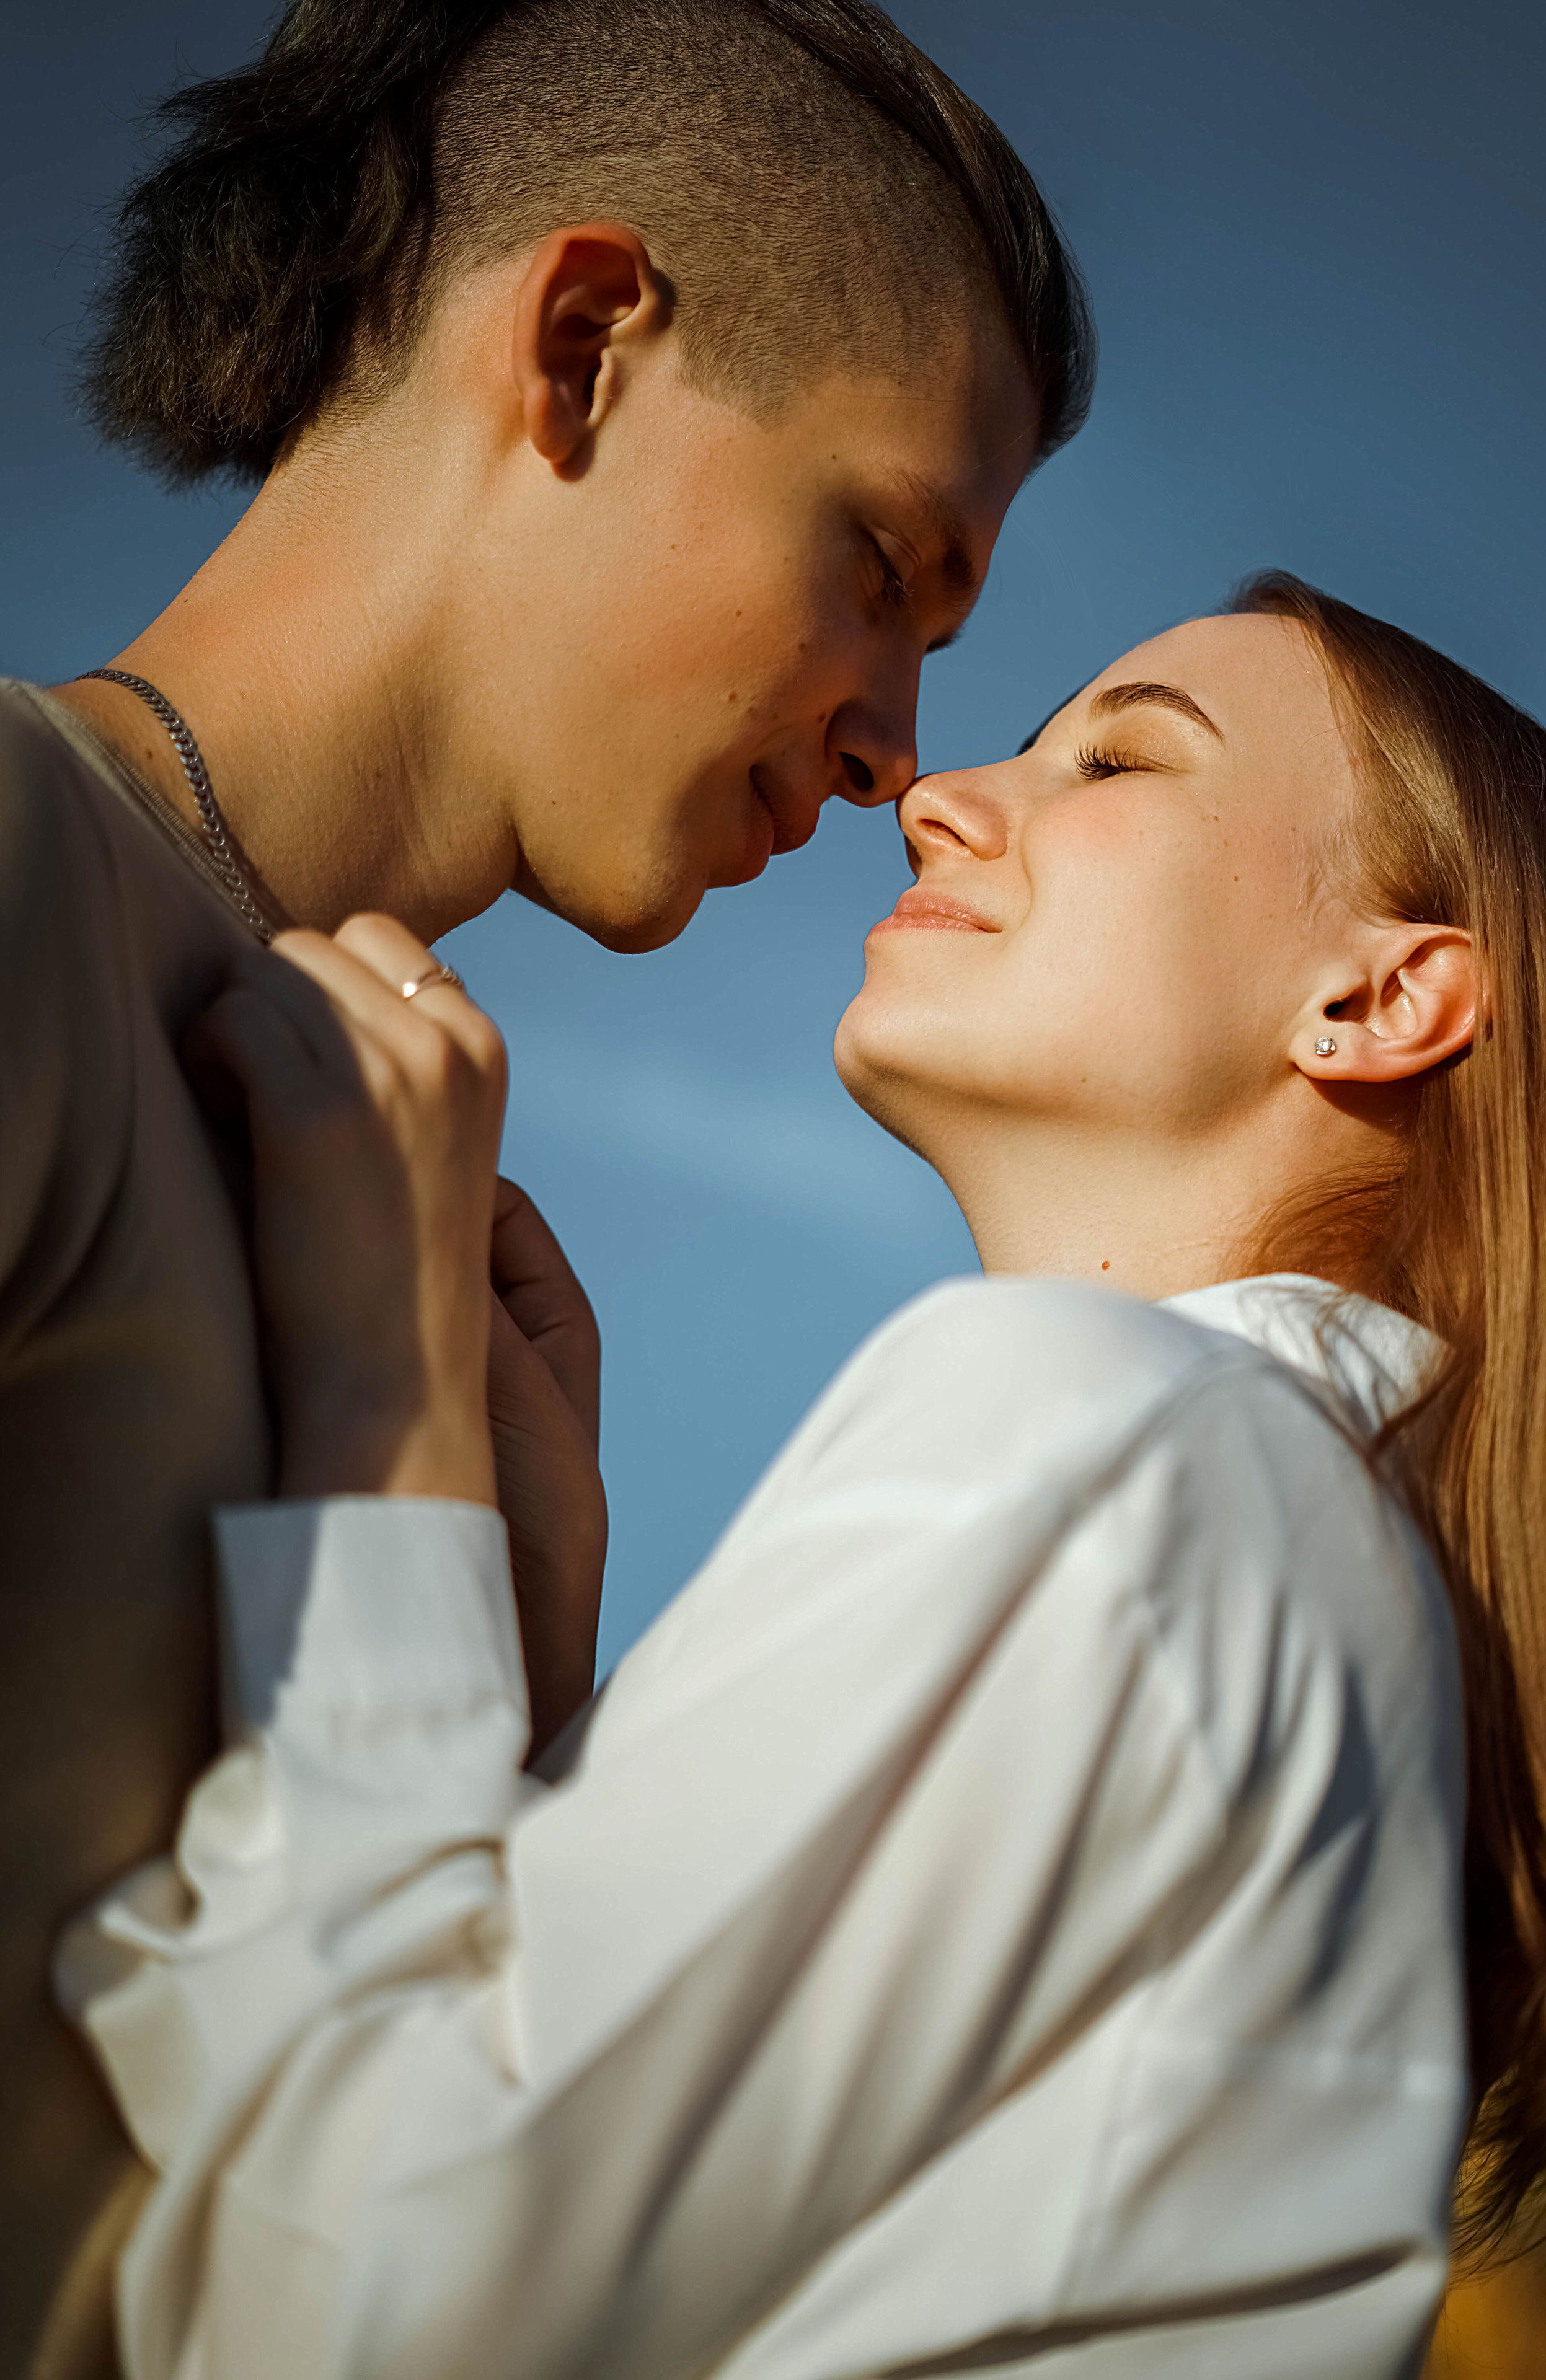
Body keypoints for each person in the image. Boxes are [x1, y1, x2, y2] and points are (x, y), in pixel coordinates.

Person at [60, 573, 1546, 2379]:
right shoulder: (1312, 1569)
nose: (938, 797)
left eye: (1117, 763)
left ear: (1380, 997)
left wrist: (384, 1430)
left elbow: (339, 2305)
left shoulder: (1127, 1446)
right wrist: (519, 1698)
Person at [1, 2, 1093, 2368]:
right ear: (585, 347)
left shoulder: (440, 1252)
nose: (900, 751)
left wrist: (525, 1652)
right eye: (880, 563)